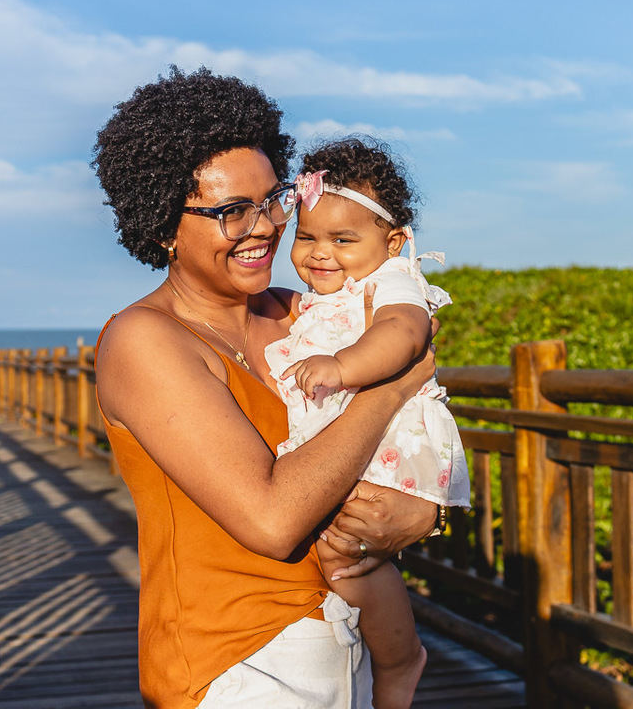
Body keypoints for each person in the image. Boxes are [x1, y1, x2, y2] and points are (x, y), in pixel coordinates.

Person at [93, 66, 440, 709]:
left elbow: (405, 433)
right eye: (230, 211)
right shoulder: (144, 341)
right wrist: (388, 390)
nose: (264, 226)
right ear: (163, 226)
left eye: (272, 199)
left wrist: (422, 516)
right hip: (233, 665)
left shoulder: (298, 313)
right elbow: (273, 520)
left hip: (346, 643)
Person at [264, 138, 471, 709]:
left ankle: (401, 660)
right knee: (345, 551)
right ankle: (380, 649)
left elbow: (403, 335)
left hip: (392, 442)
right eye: (306, 237)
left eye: (343, 239)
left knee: (347, 552)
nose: (319, 253)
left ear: (394, 241)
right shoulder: (312, 302)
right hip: (355, 445)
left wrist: (341, 365)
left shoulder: (394, 282)